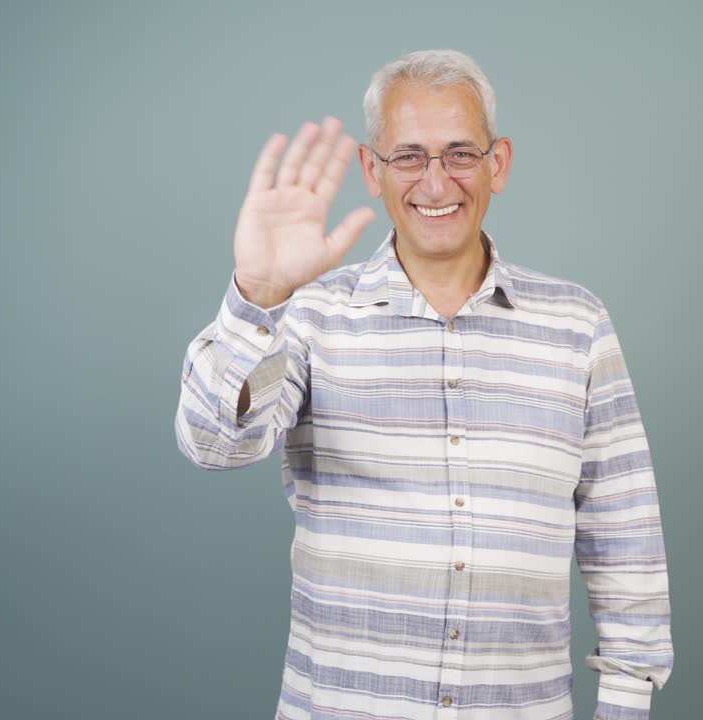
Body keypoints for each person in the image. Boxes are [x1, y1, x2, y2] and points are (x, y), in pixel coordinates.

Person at [175, 49, 673, 720]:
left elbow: (625, 533)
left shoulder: (577, 324)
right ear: (371, 170)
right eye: (408, 156)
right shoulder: (310, 314)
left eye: (460, 154)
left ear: (498, 164)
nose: (436, 183)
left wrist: (625, 702)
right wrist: (257, 297)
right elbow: (213, 443)